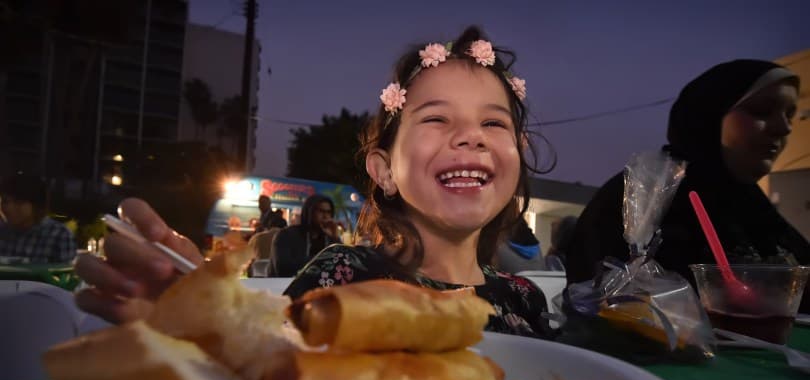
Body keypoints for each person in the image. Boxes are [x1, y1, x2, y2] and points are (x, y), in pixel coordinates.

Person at [74, 26, 553, 339]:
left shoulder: (524, 299)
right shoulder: (341, 276)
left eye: (494, 124)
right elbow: (269, 361)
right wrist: (198, 321)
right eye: (436, 119)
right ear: (384, 170)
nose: (471, 136)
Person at [565, 59, 809, 312]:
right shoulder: (644, 200)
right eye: (761, 110)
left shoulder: (756, 209)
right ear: (709, 115)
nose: (784, 128)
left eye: (790, 114)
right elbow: (603, 311)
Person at [0, 173, 76, 264]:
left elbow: (65, 275)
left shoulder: (59, 235)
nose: (8, 208)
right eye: (5, 201)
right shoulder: (3, 231)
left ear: (37, 206)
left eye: (18, 202)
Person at [268, 194, 341, 277]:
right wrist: (322, 260)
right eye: (321, 211)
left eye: (328, 212)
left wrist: (335, 238)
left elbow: (343, 265)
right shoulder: (286, 235)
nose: (325, 216)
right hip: (284, 286)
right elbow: (282, 269)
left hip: (320, 287)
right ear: (309, 212)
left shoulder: (328, 238)